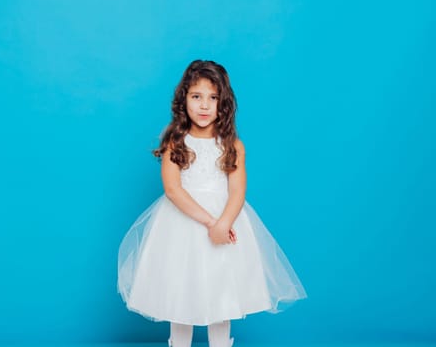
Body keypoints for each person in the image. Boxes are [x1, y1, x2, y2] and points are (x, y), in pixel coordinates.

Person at [118, 60, 307, 347]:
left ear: (224, 103)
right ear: (184, 101)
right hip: (183, 224)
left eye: (213, 97)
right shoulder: (175, 142)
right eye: (197, 96)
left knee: (222, 291)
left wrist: (224, 223)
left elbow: (237, 192)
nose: (205, 105)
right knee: (179, 292)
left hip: (225, 222)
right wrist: (210, 222)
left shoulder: (232, 145)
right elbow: (173, 189)